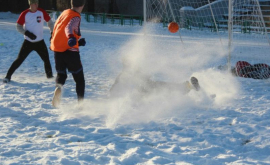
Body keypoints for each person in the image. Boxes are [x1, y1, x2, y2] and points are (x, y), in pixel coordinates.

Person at [3, 0, 54, 83]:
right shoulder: (25, 13)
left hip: (40, 42)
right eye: (34, 3)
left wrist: (52, 32)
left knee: (46, 60)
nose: (36, 5)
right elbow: (18, 26)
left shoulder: (41, 12)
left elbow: (50, 22)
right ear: (30, 4)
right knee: (19, 60)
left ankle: (50, 77)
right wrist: (27, 33)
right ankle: (8, 76)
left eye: (37, 3)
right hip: (28, 42)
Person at [50, 0, 86, 108]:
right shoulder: (76, 16)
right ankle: (81, 104)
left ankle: (59, 87)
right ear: (82, 6)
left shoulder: (65, 12)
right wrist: (71, 37)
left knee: (61, 75)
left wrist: (77, 42)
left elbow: (57, 28)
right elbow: (69, 28)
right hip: (70, 51)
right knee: (79, 79)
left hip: (58, 49)